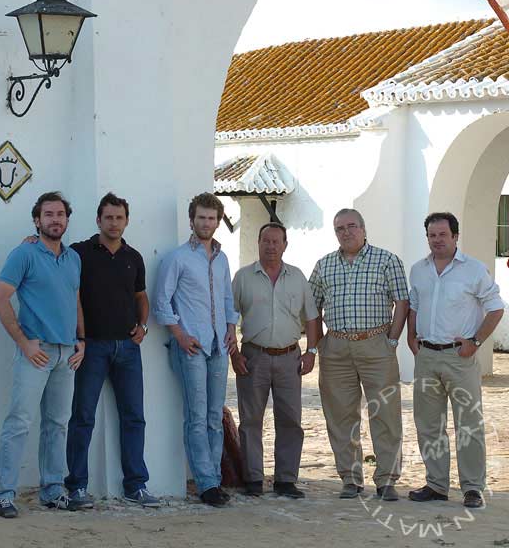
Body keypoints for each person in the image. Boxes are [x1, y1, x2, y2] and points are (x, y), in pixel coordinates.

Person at [0, 192, 85, 518]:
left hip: (65, 355)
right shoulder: (24, 254)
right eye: (48, 214)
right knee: (19, 422)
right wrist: (23, 342)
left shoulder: (73, 258)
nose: (55, 219)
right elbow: (0, 299)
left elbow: (74, 301)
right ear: (37, 219)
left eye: (60, 214)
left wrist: (81, 339)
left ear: (66, 219)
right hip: (37, 352)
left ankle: (53, 491)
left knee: (57, 425)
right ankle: (4, 495)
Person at [64, 192, 158, 509]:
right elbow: (51, 255)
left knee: (134, 418)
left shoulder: (134, 257)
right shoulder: (79, 252)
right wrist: (30, 241)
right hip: (91, 348)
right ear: (98, 220)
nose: (114, 223)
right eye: (108, 217)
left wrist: (142, 326)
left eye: (119, 217)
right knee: (82, 417)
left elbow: (141, 296)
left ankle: (136, 485)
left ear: (126, 221)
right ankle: (76, 487)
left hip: (128, 349)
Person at [309, 208, 409, 501]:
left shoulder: (387, 260)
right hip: (336, 348)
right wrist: (314, 347)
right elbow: (311, 309)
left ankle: (387, 479)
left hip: (376, 344)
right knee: (340, 416)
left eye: (352, 226)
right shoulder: (324, 265)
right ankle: (350, 478)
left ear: (363, 229)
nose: (346, 232)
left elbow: (402, 302)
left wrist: (392, 341)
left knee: (386, 413)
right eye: (340, 228)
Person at [408, 212, 505, 508]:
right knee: (428, 424)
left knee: (469, 425)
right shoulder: (418, 270)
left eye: (442, 235)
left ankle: (473, 488)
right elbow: (414, 304)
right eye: (432, 235)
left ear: (455, 236)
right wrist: (411, 337)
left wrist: (475, 342)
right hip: (426, 356)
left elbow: (496, 308)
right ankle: (436, 485)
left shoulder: (474, 270)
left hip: (459, 359)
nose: (437, 240)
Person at [153, 192, 238, 508]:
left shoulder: (223, 258)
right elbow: (161, 301)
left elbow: (228, 300)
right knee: (196, 415)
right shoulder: (177, 258)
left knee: (215, 416)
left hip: (219, 346)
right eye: (201, 217)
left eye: (211, 218)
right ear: (192, 220)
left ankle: (214, 479)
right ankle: (205, 484)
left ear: (218, 222)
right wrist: (179, 335)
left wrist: (231, 331)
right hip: (191, 347)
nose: (206, 223)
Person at [231, 222, 320, 499]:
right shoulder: (243, 277)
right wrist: (234, 354)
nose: (271, 246)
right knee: (250, 421)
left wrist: (311, 352)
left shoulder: (297, 278)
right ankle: (253, 478)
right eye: (266, 241)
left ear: (285, 245)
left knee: (290, 420)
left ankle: (285, 480)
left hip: (289, 359)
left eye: (276, 241)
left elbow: (312, 318)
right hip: (252, 357)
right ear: (258, 243)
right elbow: (227, 317)